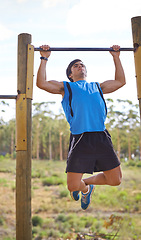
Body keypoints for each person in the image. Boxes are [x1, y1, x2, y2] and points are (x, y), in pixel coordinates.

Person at [36, 45, 126, 210]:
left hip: (100, 136)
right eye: (75, 66)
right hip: (80, 138)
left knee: (115, 180)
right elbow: (41, 83)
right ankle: (84, 189)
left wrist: (116, 57)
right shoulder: (67, 88)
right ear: (70, 74)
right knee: (72, 186)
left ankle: (86, 184)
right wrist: (44, 58)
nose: (80, 66)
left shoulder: (98, 87)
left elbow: (121, 81)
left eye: (82, 64)